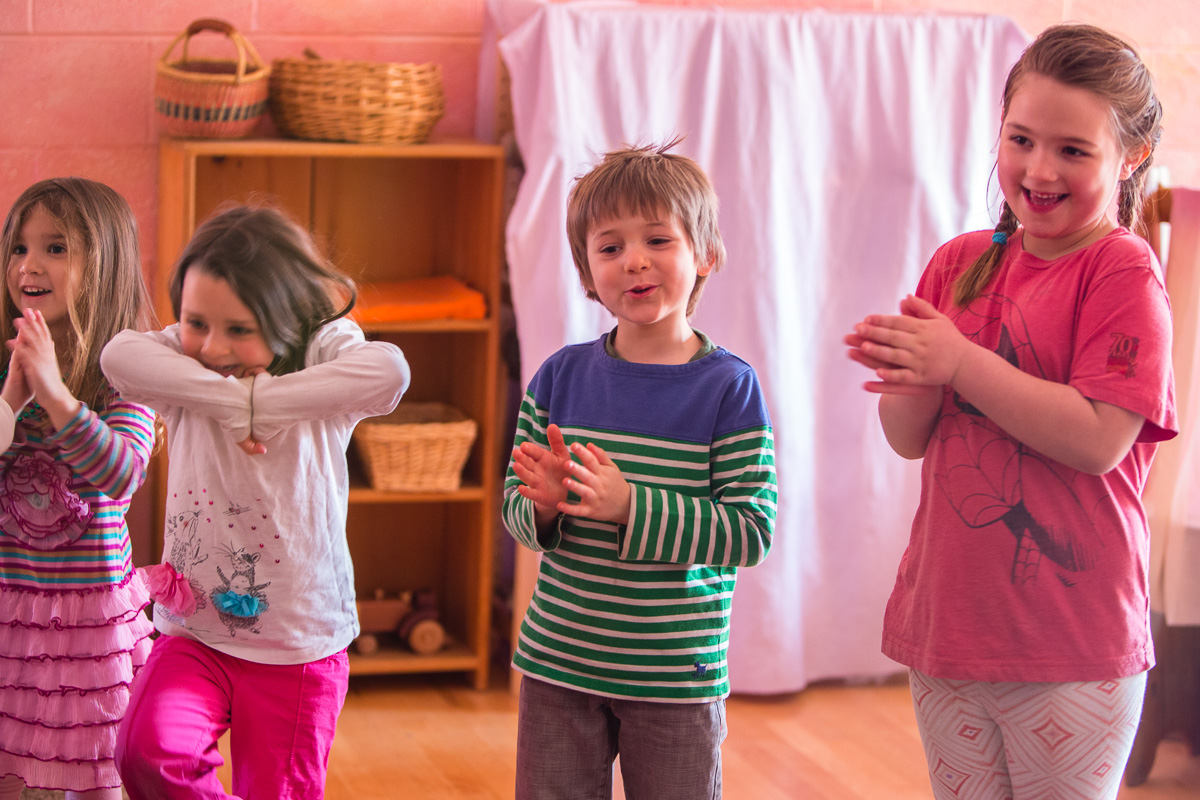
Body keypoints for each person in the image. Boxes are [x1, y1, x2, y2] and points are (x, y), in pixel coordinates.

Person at [845, 23, 1176, 800]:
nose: (1038, 169)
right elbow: (906, 439)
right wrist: (912, 377)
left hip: (1073, 639)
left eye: (1073, 150)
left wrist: (960, 361)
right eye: (1021, 138)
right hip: (951, 627)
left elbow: (1099, 440)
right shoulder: (958, 261)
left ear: (1128, 159)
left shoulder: (1122, 269)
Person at [101, 205, 410, 799]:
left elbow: (388, 371)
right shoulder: (183, 361)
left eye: (240, 330)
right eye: (197, 323)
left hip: (298, 645)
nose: (213, 346)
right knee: (147, 752)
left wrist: (264, 403)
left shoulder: (323, 350)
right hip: (195, 633)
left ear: (288, 317)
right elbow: (118, 357)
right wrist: (228, 400)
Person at [502, 139, 778, 800]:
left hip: (675, 678)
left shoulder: (729, 388)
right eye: (610, 247)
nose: (633, 261)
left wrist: (632, 506)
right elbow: (518, 506)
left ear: (705, 254)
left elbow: (750, 532)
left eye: (658, 239)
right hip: (557, 663)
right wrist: (538, 506)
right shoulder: (560, 376)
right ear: (586, 270)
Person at [0, 178, 158, 800]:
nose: (29, 265)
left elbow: (121, 473)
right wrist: (13, 397)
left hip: (87, 623)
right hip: (11, 615)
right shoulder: (5, 372)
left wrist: (56, 395)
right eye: (19, 248)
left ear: (106, 263)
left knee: (95, 774)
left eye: (57, 248)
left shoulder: (127, 372)